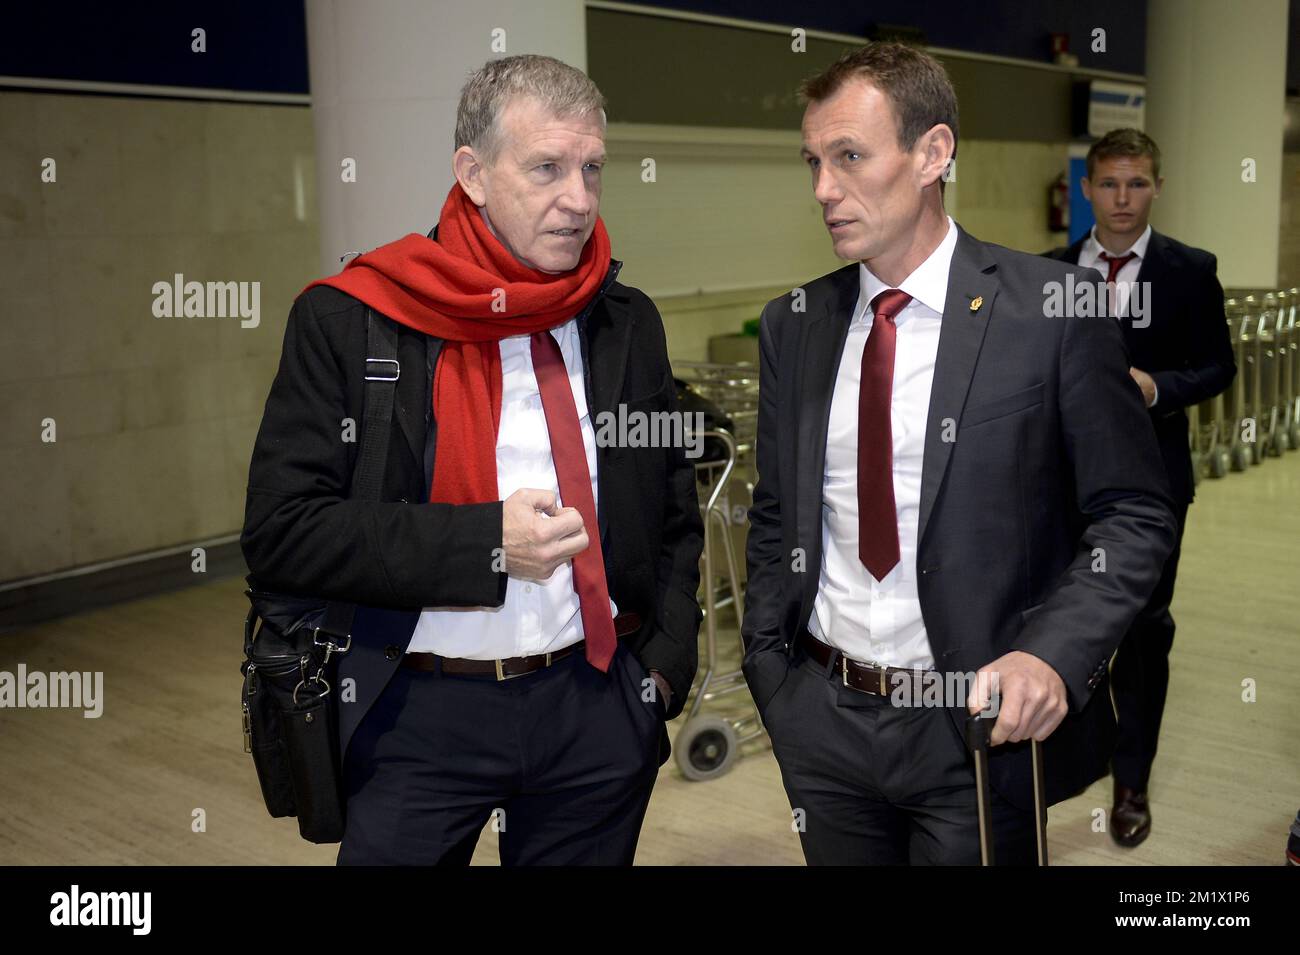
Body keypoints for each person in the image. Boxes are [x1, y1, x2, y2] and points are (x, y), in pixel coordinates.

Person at [241, 54, 702, 865]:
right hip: (413, 712)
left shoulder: (624, 323)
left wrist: (657, 673)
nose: (580, 199)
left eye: (593, 168)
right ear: (474, 173)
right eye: (547, 168)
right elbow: (284, 533)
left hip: (592, 704)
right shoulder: (353, 320)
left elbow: (672, 511)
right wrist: (488, 543)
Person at [741, 42, 1178, 865]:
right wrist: (773, 672)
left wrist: (1052, 652)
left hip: (973, 728)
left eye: (849, 157)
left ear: (933, 152)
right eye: (812, 162)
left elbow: (1133, 512)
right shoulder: (793, 324)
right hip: (822, 721)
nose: (823, 190)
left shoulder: (1053, 309)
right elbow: (777, 517)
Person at [1045, 127, 1235, 847]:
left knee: (1143, 631)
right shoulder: (1050, 273)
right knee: (1058, 623)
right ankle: (1055, 771)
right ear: (1086, 189)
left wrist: (1159, 385)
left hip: (1153, 485)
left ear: (1157, 186)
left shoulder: (1189, 270)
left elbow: (1219, 367)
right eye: (1110, 184)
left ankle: (1131, 780)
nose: (1123, 199)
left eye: (1138, 184)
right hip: (1062, 487)